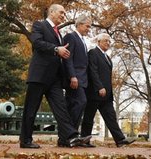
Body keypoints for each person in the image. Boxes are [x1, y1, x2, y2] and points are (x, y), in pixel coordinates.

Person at [19, 4, 91, 149]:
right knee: (31, 109)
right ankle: (25, 140)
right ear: (51, 12)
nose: (63, 15)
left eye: (64, 14)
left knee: (61, 109)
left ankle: (70, 137)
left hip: (54, 79)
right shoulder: (39, 25)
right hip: (39, 75)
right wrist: (56, 49)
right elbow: (37, 43)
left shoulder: (58, 32)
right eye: (61, 12)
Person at [81, 33, 136, 147]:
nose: (108, 43)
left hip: (106, 95)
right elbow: (93, 71)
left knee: (111, 117)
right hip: (95, 92)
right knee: (89, 117)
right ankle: (84, 141)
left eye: (109, 41)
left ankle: (120, 140)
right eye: (105, 41)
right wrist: (99, 87)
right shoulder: (93, 53)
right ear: (99, 42)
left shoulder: (107, 57)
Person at [63, 15, 94, 147]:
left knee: (74, 107)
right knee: (81, 102)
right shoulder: (71, 37)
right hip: (75, 79)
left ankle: (68, 138)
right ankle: (70, 136)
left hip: (82, 79)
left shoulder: (82, 40)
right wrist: (72, 76)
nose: (89, 29)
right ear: (79, 25)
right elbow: (67, 58)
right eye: (87, 26)